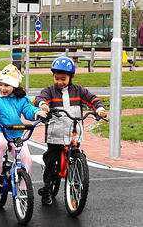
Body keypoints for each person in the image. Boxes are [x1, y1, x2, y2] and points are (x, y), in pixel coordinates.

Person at [33, 56, 108, 206]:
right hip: (55, 135)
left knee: (76, 155)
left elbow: (92, 99)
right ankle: (47, 189)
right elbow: (40, 98)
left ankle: (75, 177)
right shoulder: (50, 91)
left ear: (70, 77)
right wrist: (43, 105)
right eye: (57, 78)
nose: (59, 82)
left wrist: (99, 109)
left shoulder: (78, 91)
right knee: (51, 161)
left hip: (74, 133)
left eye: (63, 79)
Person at [0, 64, 40, 182]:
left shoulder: (20, 99)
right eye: (0, 84)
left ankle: (23, 190)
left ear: (15, 86)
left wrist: (37, 113)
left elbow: (28, 110)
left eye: (7, 85)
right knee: (1, 144)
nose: (2, 88)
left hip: (15, 131)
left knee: (26, 159)